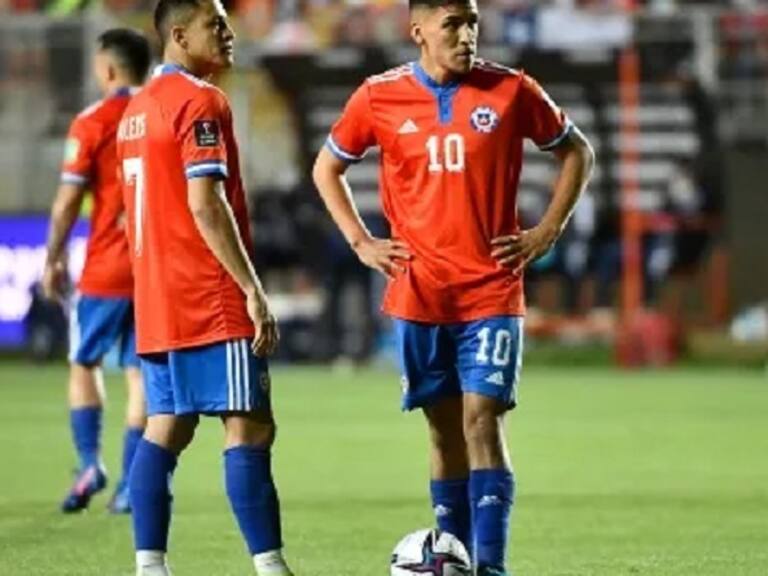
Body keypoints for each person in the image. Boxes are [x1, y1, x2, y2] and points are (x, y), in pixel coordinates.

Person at [312, 1, 595, 574]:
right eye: (452, 24)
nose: (466, 34)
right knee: (444, 436)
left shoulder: (513, 89)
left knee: (482, 419)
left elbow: (577, 152)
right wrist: (362, 241)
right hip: (420, 292)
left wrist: (546, 230)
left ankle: (490, 565)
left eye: (472, 22)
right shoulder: (378, 96)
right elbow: (327, 168)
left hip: (491, 288)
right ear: (418, 31)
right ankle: (455, 558)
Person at [116, 1, 293, 575]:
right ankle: (270, 567)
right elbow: (204, 201)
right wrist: (251, 288)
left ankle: (150, 565)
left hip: (156, 298)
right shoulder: (201, 100)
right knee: (249, 422)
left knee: (167, 425)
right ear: (178, 34)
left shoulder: (136, 111)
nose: (227, 32)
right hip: (208, 295)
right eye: (214, 24)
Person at [43, 28, 151, 514]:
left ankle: (90, 462)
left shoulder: (92, 121)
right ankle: (131, 485)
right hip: (153, 267)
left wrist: (54, 256)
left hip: (106, 269)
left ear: (107, 69)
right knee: (140, 375)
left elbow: (68, 200)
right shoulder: (161, 113)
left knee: (83, 362)